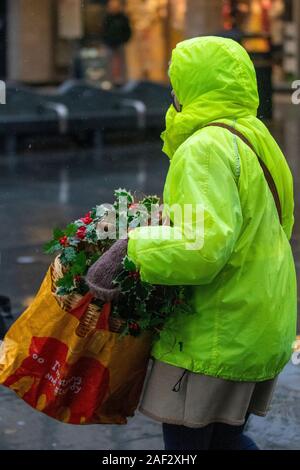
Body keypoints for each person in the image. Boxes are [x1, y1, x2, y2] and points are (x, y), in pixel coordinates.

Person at [87, 36, 297, 450]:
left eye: (176, 79)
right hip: (260, 321)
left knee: (190, 449)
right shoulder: (256, 136)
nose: (171, 90)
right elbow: (274, 223)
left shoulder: (203, 148)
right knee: (226, 443)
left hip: (213, 333)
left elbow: (202, 249)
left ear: (194, 84)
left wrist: (132, 248)